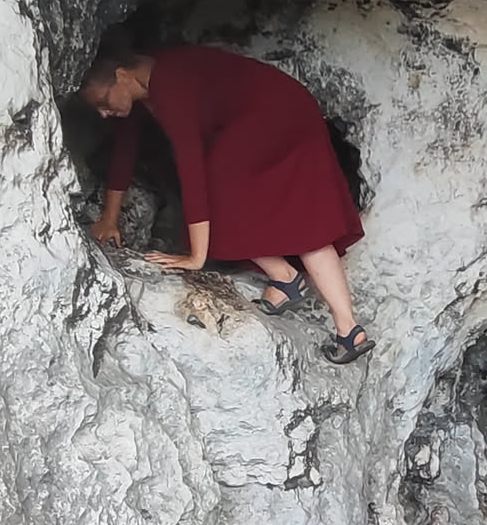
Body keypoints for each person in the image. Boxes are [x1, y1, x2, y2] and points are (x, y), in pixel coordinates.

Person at [80, 46, 375, 364]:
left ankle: (286, 279)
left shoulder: (169, 83)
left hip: (272, 113)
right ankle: (348, 331)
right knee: (304, 225)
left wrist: (195, 257)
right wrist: (109, 218)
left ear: (122, 76)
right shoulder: (142, 92)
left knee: (216, 195)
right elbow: (124, 152)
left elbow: (192, 167)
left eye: (103, 102)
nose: (102, 113)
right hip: (286, 108)